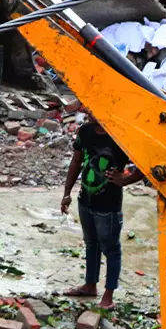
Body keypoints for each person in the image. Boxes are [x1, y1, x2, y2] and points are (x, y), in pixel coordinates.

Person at [60, 117, 142, 309]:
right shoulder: (85, 131)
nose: (88, 109)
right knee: (91, 244)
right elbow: (76, 161)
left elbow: (150, 163)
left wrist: (125, 179)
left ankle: (108, 295)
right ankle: (90, 285)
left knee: (111, 248)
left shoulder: (122, 133)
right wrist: (67, 193)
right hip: (85, 199)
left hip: (109, 204)